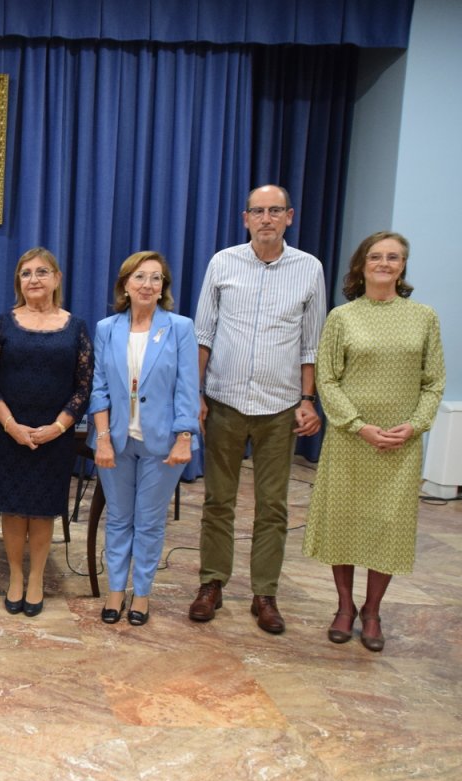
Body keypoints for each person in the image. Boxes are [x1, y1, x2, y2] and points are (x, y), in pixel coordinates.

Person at [189, 184, 326, 634]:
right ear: (245, 218)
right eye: (258, 211)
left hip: (280, 406)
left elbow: (311, 344)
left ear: (290, 216)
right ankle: (211, 584)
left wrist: (307, 399)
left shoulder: (309, 269)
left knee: (273, 506)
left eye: (275, 211)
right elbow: (203, 334)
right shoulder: (222, 263)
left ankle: (265, 594)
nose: (266, 218)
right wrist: (196, 394)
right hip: (224, 401)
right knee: (218, 501)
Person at [302, 232, 444, 652]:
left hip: (400, 444)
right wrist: (358, 425)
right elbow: (327, 378)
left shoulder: (424, 317)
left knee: (388, 527)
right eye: (376, 257)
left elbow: (434, 381)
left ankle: (373, 611)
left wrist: (414, 426)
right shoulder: (342, 318)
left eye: (393, 257)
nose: (384, 263)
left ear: (403, 266)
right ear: (361, 266)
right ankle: (344, 606)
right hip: (351, 440)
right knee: (343, 523)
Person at [0, 248, 92, 617]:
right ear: (18, 282)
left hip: (54, 437)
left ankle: (37, 578)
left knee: (42, 511)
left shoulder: (75, 327)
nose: (34, 279)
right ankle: (15, 576)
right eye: (26, 273)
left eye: (42, 272)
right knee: (13, 510)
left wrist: (57, 428)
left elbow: (84, 387)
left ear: (57, 278)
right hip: (8, 433)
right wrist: (11, 425)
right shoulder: (3, 324)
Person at [89, 251, 198, 626]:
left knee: (149, 522)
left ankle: (142, 593)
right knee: (118, 519)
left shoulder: (179, 328)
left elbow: (187, 387)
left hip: (164, 443)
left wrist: (184, 437)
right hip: (116, 442)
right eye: (139, 277)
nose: (148, 285)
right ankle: (115, 590)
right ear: (125, 285)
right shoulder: (107, 329)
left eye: (156, 278)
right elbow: (99, 389)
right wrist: (102, 438)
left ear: (163, 286)